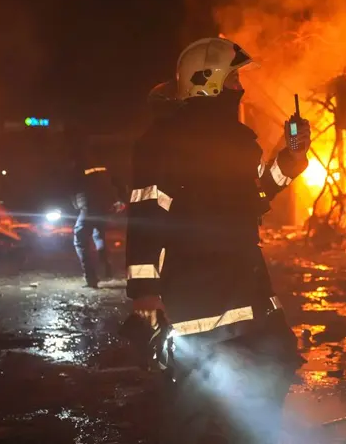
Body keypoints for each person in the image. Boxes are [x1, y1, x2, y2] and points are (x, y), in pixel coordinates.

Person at [125, 37, 311, 443]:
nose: (240, 87)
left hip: (246, 290)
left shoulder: (237, 139)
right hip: (200, 297)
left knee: (273, 367)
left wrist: (288, 163)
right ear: (208, 81)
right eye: (234, 79)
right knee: (195, 404)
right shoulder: (164, 142)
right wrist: (144, 291)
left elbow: (254, 197)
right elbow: (146, 216)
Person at [71, 148, 124, 288]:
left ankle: (91, 278)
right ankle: (107, 269)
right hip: (104, 207)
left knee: (80, 241)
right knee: (99, 236)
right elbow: (117, 181)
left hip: (88, 207)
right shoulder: (103, 165)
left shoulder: (77, 166)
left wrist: (76, 204)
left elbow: (71, 187)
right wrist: (118, 200)